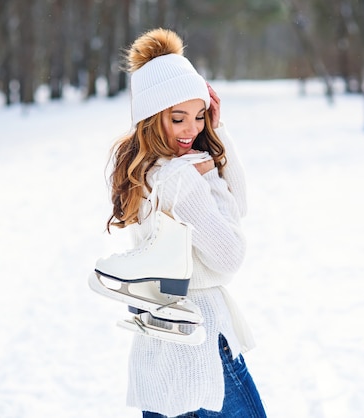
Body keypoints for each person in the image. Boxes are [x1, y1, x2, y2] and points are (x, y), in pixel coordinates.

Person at [104, 28, 267, 418]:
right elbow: (229, 255)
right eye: (178, 118)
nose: (192, 130)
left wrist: (218, 133)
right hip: (201, 344)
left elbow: (236, 205)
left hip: (158, 345)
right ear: (150, 118)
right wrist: (207, 173)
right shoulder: (180, 177)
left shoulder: (142, 169)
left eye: (200, 116)